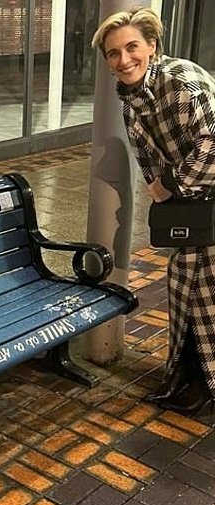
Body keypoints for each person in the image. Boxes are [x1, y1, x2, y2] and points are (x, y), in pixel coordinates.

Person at [92, 7, 215, 413]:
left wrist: (176, 187)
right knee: (184, 290)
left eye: (132, 47)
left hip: (207, 199)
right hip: (193, 207)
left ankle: (202, 386)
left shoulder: (183, 83)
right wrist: (157, 189)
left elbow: (213, 141)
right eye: (114, 53)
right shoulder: (131, 99)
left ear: (152, 46)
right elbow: (146, 155)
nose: (123, 59)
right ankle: (181, 377)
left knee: (207, 295)